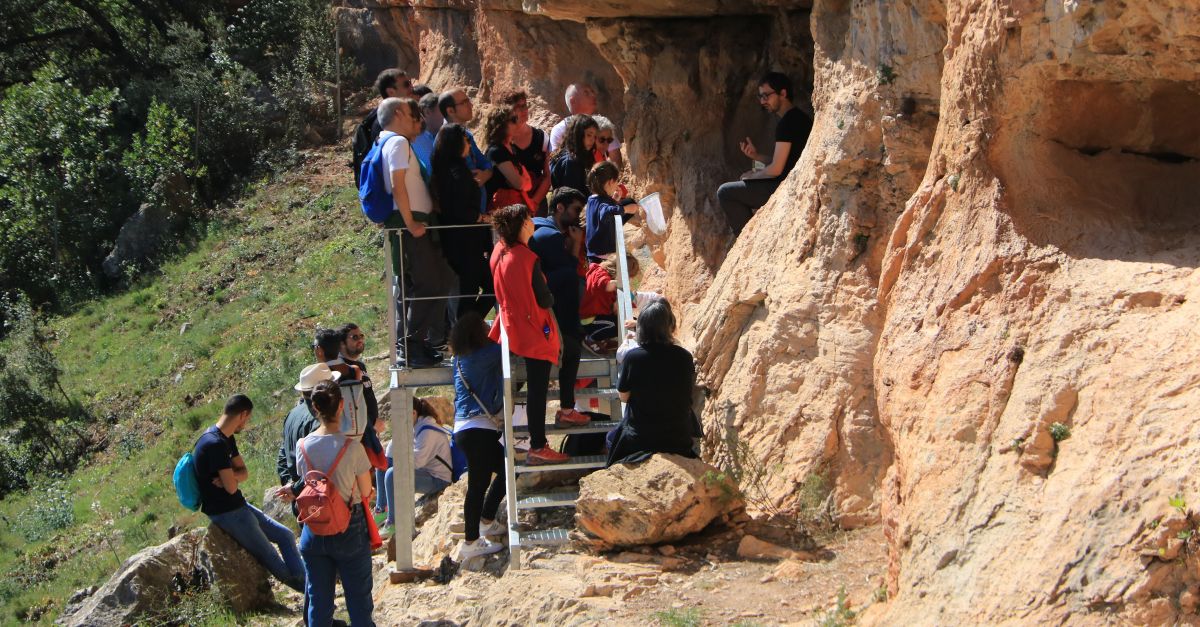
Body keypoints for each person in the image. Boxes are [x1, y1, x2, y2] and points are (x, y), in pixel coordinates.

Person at [193, 394, 305, 592]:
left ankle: (309, 588)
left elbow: (243, 474)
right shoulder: (214, 444)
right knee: (271, 557)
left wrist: (230, 475)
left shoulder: (225, 439)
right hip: (227, 512)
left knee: (286, 536)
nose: (246, 424)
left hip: (239, 506)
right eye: (248, 419)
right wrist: (232, 478)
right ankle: (312, 598)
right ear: (243, 414)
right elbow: (232, 487)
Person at [376, 97, 455, 368]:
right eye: (413, 115)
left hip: (415, 225)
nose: (418, 121)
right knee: (428, 283)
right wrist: (410, 223)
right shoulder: (397, 142)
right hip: (412, 228)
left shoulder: (389, 142)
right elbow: (398, 186)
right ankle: (411, 346)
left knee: (436, 280)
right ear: (399, 113)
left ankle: (418, 344)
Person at [488, 204, 568, 464]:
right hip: (533, 329)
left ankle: (520, 440)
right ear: (523, 223)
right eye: (529, 218)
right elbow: (544, 300)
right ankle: (538, 444)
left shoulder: (499, 251)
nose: (533, 221)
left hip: (509, 326)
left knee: (521, 388)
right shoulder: (527, 258)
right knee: (537, 389)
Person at [295, 381, 376, 627]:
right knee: (359, 601)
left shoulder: (303, 446)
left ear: (315, 408)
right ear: (342, 406)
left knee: (319, 603)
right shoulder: (352, 448)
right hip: (348, 528)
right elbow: (365, 491)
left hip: (314, 527)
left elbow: (305, 481)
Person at [717, 71, 813, 237]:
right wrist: (757, 157)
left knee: (725, 192)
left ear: (783, 93)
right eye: (760, 97)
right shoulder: (800, 118)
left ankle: (745, 239)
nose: (763, 101)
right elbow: (785, 161)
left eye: (766, 96)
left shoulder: (786, 124)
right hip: (791, 181)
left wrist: (751, 176)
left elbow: (776, 169)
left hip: (783, 186)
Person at [606, 301, 700, 466]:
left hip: (641, 440)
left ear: (641, 327)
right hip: (678, 439)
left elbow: (623, 397)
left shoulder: (633, 358)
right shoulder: (684, 357)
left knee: (610, 438)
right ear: (671, 325)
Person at [528, 188, 591, 428]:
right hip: (546, 316)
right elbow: (568, 271)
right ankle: (566, 410)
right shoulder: (552, 237)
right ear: (560, 208)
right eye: (576, 210)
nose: (578, 217)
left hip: (537, 311)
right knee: (571, 348)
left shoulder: (538, 225)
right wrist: (576, 244)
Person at [449, 312, 507, 559]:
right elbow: (508, 347)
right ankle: (472, 539)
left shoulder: (459, 359)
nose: (487, 328)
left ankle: (485, 521)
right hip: (479, 427)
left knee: (489, 477)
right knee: (483, 482)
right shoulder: (484, 356)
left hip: (464, 427)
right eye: (484, 325)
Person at [431, 123, 495, 320]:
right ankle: (464, 334)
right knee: (480, 287)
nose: (469, 143)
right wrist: (484, 218)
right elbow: (460, 210)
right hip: (465, 240)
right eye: (466, 140)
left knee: (475, 287)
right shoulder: (457, 173)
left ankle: (466, 332)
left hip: (460, 240)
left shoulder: (445, 169)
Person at [380, 397, 452, 535]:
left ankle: (394, 522)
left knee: (392, 474)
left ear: (413, 413)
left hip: (438, 480)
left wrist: (399, 454)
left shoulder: (427, 431)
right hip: (425, 472)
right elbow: (392, 453)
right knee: (384, 464)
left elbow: (418, 461)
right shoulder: (417, 425)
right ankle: (382, 509)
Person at [276, 363, 340, 492]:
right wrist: (295, 488)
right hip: (324, 498)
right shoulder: (320, 422)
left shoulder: (292, 414)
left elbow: (283, 454)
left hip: (302, 499)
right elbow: (320, 468)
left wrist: (289, 484)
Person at [352, 69, 414, 186]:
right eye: (406, 85)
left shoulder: (394, 116)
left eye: (410, 83)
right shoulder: (384, 122)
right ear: (391, 92)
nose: (411, 88)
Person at [438, 88, 493, 213]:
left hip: (478, 211)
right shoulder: (444, 140)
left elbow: (485, 163)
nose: (471, 105)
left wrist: (485, 175)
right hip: (463, 216)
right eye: (464, 102)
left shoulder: (467, 135)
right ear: (450, 110)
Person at [499, 90, 551, 215]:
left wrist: (534, 202)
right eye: (518, 107)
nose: (524, 110)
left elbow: (547, 175)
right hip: (510, 206)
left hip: (537, 205)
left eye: (525, 105)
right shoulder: (500, 141)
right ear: (507, 111)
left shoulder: (541, 137)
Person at [549, 84, 623, 170]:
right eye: (586, 93)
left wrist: (606, 178)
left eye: (592, 92)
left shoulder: (603, 124)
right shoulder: (560, 130)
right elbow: (555, 163)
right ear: (573, 101)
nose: (593, 95)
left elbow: (615, 157)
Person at [579, 253, 642, 353]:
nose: (629, 279)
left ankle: (604, 339)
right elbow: (605, 285)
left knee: (632, 322)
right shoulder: (600, 273)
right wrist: (622, 283)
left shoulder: (603, 273)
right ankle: (591, 339)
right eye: (628, 276)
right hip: (590, 320)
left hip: (598, 317)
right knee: (618, 325)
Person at [584, 161, 640, 262]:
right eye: (616, 182)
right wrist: (627, 209)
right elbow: (606, 213)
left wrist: (615, 201)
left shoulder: (592, 199)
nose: (617, 185)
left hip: (594, 253)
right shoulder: (603, 203)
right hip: (603, 257)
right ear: (610, 182)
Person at [483, 105, 535, 212]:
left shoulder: (511, 148)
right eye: (513, 119)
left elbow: (528, 183)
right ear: (501, 126)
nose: (517, 122)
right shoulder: (496, 151)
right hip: (500, 211)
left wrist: (521, 181)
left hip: (512, 208)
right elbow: (519, 183)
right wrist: (521, 181)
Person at [549, 114, 598, 195]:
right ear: (579, 134)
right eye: (589, 135)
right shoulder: (571, 162)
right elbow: (573, 196)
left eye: (594, 136)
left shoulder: (577, 156)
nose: (592, 140)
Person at [412, 92, 443, 170]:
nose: (446, 114)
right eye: (442, 110)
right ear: (427, 112)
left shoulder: (451, 132)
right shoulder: (414, 141)